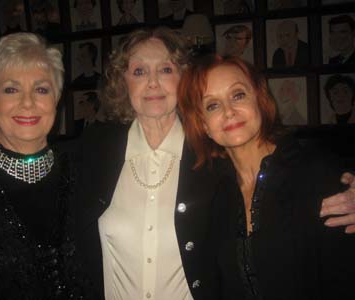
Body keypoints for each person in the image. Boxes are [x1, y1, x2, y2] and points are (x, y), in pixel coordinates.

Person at [74, 26, 355, 300]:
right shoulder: (96, 150)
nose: (152, 82)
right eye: (139, 71)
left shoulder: (213, 158)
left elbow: (290, 163)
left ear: (184, 81)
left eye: (166, 69)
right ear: (122, 82)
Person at [178, 54, 355, 299]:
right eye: (212, 105)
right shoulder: (215, 193)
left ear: (259, 100)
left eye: (238, 95)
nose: (228, 111)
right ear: (204, 125)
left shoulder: (317, 173)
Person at [0, 32, 94, 299]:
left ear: (56, 99)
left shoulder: (86, 173)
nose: (27, 102)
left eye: (41, 89)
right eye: (11, 89)